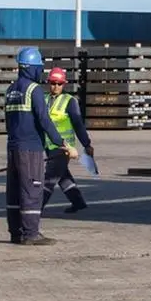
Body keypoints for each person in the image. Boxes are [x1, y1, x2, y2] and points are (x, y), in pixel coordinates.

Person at [4, 46, 77, 246]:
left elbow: (8, 123)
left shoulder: (11, 90)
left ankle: (16, 232)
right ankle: (31, 233)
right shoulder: (33, 89)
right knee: (32, 189)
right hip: (30, 149)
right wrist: (63, 144)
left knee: (14, 190)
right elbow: (44, 120)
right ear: (33, 68)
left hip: (13, 147)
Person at [41, 67, 94, 213]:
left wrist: (87, 144)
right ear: (48, 82)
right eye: (53, 83)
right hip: (48, 146)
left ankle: (35, 209)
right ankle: (78, 202)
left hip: (64, 148)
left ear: (64, 84)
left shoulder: (70, 101)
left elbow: (78, 125)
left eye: (59, 83)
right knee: (63, 176)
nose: (56, 86)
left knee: (49, 179)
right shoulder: (43, 99)